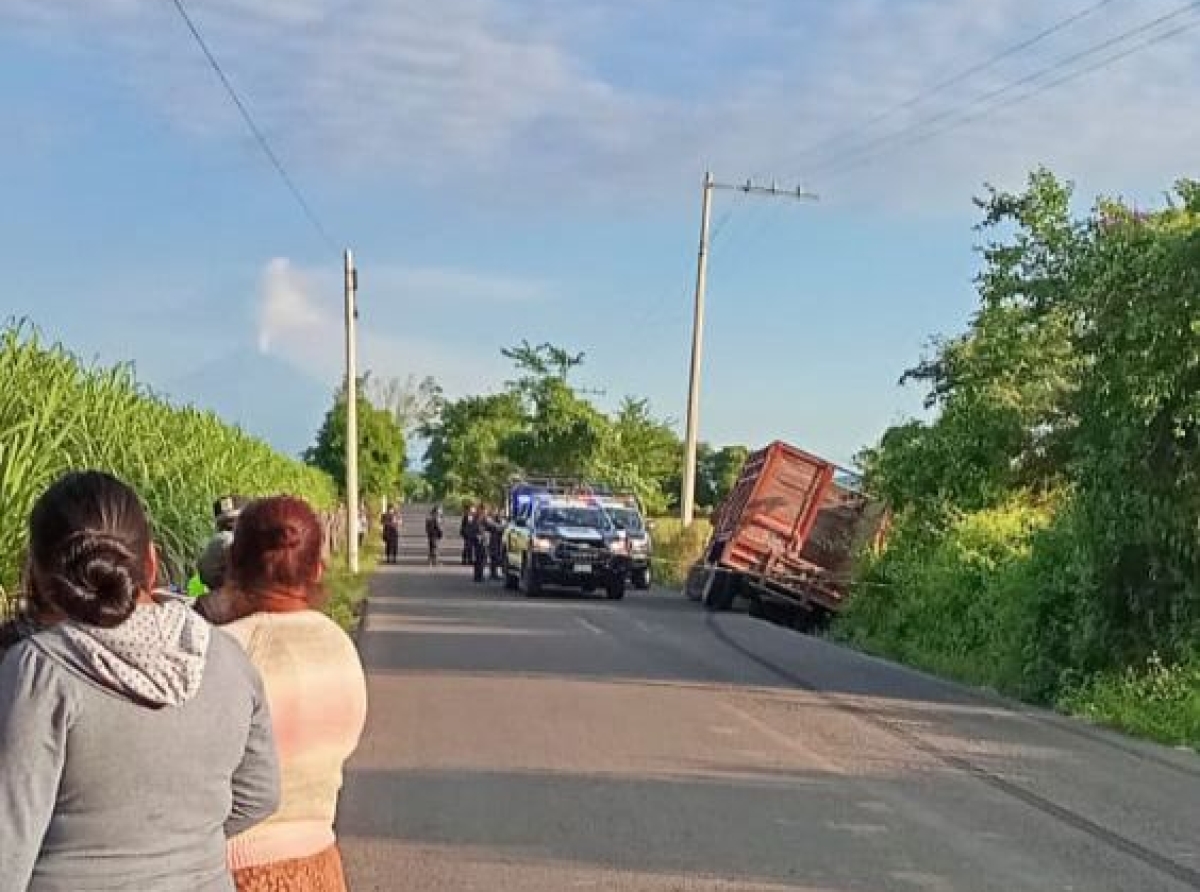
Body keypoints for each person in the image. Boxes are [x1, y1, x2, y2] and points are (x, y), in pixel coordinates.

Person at [0, 471, 279, 892]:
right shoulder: (225, 657)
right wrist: (178, 844)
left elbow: (7, 851)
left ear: (39, 578)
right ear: (150, 563)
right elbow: (260, 793)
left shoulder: (41, 672)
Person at [196, 496, 367, 892]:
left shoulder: (220, 652)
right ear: (318, 569)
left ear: (232, 566)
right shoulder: (339, 646)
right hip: (321, 866)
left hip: (234, 871)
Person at [466, 503, 491, 584]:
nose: (486, 511)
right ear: (481, 510)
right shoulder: (478, 518)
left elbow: (491, 526)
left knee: (480, 559)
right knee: (480, 559)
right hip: (479, 541)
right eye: (485, 510)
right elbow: (470, 529)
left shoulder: (478, 517)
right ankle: (478, 576)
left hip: (481, 540)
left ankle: (478, 576)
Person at [487, 509, 506, 580]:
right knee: (494, 558)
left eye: (502, 514)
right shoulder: (492, 521)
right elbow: (497, 528)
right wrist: (500, 527)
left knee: (497, 558)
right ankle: (493, 574)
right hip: (494, 542)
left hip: (499, 542)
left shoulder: (502, 521)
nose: (501, 515)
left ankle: (495, 573)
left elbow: (502, 528)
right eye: (500, 514)